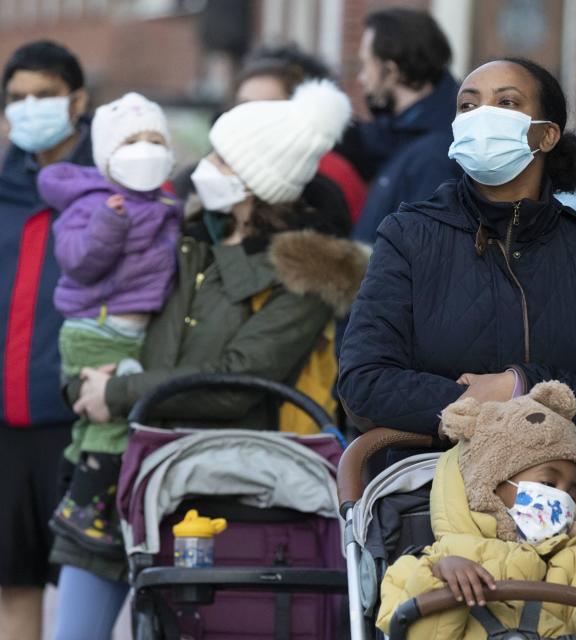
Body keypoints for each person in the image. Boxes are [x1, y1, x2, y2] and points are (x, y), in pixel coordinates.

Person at [51, 79, 368, 640]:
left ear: (252, 181)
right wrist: (82, 378)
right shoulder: (179, 233)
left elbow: (238, 380)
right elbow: (108, 310)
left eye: (221, 156)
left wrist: (119, 391)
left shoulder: (302, 279)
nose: (205, 165)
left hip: (218, 495)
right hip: (117, 475)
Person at [337, 57, 576, 439]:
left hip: (562, 486)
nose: (482, 116)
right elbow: (364, 381)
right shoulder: (408, 235)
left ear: (547, 135)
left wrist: (523, 386)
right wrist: (469, 404)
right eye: (468, 105)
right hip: (429, 483)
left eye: (507, 102)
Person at [377, 382, 576, 639]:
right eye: (548, 482)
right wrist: (440, 579)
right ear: (490, 482)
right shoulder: (416, 569)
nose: (562, 499)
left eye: (572, 490)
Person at [39, 92, 181, 553]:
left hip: (126, 330)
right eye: (132, 141)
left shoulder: (161, 203)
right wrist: (107, 226)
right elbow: (76, 261)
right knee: (110, 419)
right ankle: (83, 510)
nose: (145, 149)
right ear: (106, 157)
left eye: (155, 138)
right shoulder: (95, 203)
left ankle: (72, 490)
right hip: (98, 328)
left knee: (94, 420)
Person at [0, 40, 91, 640]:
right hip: (6, 427)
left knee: (92, 585)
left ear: (77, 101)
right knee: (13, 583)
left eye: (43, 96)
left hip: (83, 422)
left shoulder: (114, 186)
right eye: (16, 99)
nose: (28, 109)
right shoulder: (4, 190)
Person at [351, 7, 462, 244]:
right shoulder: (402, 136)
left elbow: (422, 252)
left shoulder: (434, 154)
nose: (361, 79)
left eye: (366, 65)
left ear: (391, 71)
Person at [232, 44, 367, 227]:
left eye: (267, 108)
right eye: (244, 105)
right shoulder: (211, 170)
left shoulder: (330, 178)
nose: (251, 117)